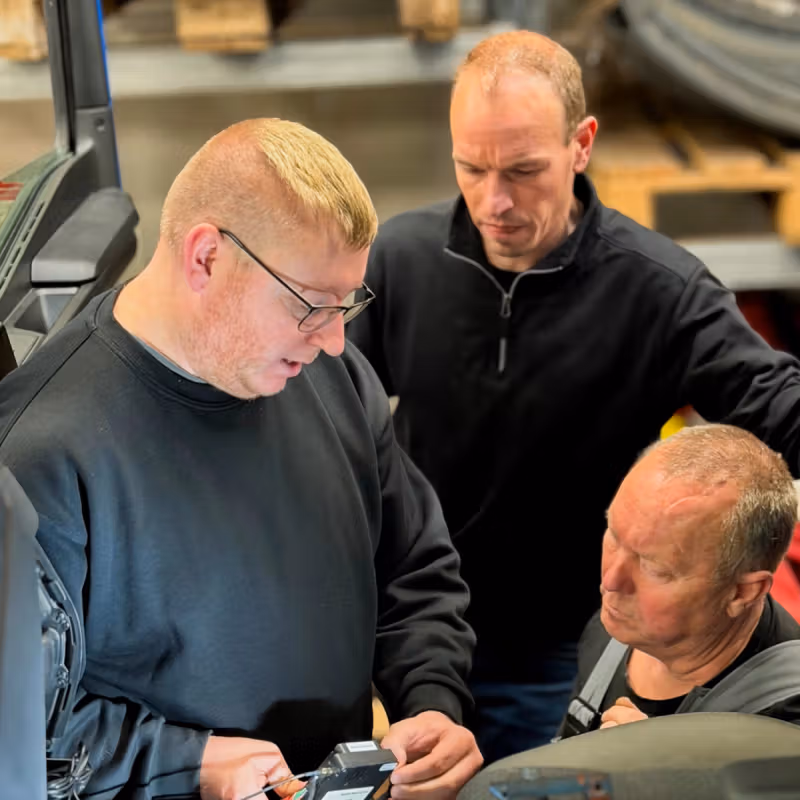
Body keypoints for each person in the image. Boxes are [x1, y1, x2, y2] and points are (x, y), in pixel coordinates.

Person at [345, 29, 800, 762]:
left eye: (524, 170)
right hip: (412, 628)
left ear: (581, 144)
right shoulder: (402, 258)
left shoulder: (658, 290)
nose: (494, 201)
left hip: (559, 649)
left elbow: (778, 404)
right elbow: (325, 404)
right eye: (471, 167)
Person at [0, 119, 483, 800]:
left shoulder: (330, 376)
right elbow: (24, 733)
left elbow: (414, 566)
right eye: (311, 305)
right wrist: (190, 763)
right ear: (205, 257)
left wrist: (430, 702)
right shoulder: (37, 457)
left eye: (346, 305)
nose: (334, 341)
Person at [558, 424, 800, 738]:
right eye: (614, 536)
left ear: (742, 592)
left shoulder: (784, 726)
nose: (612, 581)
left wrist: (669, 767)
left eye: (655, 568)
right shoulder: (615, 630)